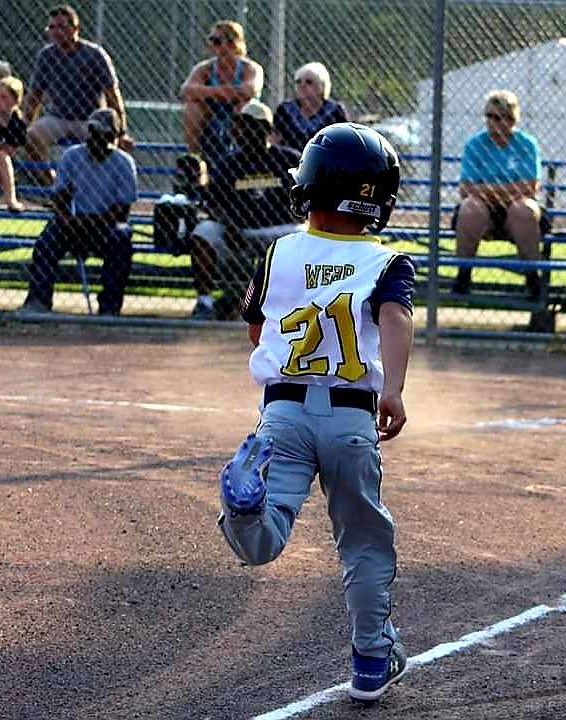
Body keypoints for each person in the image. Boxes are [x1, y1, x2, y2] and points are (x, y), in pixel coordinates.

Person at [216, 123, 414, 703]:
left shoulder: (279, 251)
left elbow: (257, 329)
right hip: (351, 418)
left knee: (265, 535)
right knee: (364, 540)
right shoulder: (386, 261)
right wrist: (394, 389)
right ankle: (372, 658)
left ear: (311, 186)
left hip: (283, 412)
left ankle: (246, 513)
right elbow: (396, 318)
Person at [189, 99, 302, 320]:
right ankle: (205, 302)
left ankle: (293, 305)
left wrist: (299, 212)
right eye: (240, 125)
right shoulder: (229, 162)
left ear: (267, 130)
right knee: (203, 232)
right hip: (237, 231)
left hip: (279, 230)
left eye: (250, 125)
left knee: (301, 235)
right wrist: (229, 225)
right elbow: (211, 201)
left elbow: (310, 194)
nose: (242, 131)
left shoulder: (288, 159)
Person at [18, 108, 137, 316]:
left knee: (121, 241)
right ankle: (38, 301)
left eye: (104, 135)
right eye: (93, 133)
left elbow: (121, 211)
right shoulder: (72, 156)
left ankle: (109, 308)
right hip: (72, 223)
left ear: (114, 137)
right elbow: (60, 199)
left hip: (106, 226)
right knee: (46, 243)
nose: (97, 139)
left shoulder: (124, 163)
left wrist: (88, 221)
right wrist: (68, 220)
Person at [22, 5, 133, 185]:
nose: (56, 32)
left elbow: (112, 95)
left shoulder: (95, 54)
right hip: (58, 117)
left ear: (75, 29)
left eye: (61, 26)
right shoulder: (46, 55)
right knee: (31, 136)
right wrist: (25, 125)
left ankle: (97, 187)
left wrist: (121, 131)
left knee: (104, 142)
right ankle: (54, 186)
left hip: (90, 118)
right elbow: (35, 94)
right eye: (52, 27)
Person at [452, 89, 543, 299]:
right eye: (489, 116)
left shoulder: (526, 144)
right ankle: (463, 275)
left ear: (512, 119)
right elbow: (466, 188)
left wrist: (487, 189)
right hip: (484, 209)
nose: (492, 122)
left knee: (524, 210)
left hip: (515, 208)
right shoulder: (475, 144)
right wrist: (509, 189)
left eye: (499, 117)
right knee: (470, 208)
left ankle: (533, 278)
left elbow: (530, 187)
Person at [180, 20, 263, 164]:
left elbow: (249, 90)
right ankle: (195, 158)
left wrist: (206, 92)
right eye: (211, 40)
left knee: (244, 105)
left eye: (217, 41)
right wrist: (224, 91)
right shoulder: (205, 68)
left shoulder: (250, 68)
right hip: (213, 114)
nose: (212, 45)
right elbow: (187, 90)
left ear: (233, 44)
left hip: (239, 113)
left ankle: (243, 156)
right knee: (192, 108)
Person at [272, 62, 348, 153]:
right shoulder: (285, 110)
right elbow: (274, 139)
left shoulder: (334, 111)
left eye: (309, 82)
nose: (302, 85)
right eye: (298, 82)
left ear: (321, 86)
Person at [0, 76, 26, 211]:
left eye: (3, 97)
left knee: (2, 156)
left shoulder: (17, 123)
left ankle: (11, 200)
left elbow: (11, 151)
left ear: (16, 101)